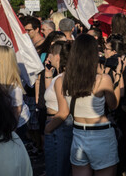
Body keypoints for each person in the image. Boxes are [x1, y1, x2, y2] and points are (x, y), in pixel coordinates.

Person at [45, 34, 122, 175]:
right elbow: (113, 105)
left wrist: (47, 129)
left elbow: (63, 111)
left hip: (78, 134)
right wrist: (117, 79)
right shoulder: (102, 80)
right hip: (101, 134)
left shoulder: (61, 81)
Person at [43, 41, 73, 176]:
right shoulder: (59, 77)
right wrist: (48, 73)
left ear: (58, 57)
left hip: (57, 127)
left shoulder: (62, 78)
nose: (49, 56)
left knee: (56, 169)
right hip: (57, 127)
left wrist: (48, 128)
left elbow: (64, 111)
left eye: (52, 53)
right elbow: (51, 95)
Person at [0, 45, 31, 142]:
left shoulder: (14, 86)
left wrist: (10, 133)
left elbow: (16, 111)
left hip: (17, 123)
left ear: (2, 61)